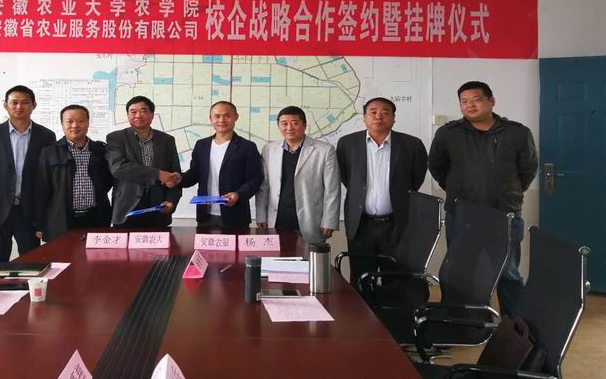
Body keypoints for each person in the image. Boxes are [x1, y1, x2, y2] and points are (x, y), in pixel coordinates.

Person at [428, 81, 538, 318]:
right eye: (464, 101)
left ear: (491, 101)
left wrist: (506, 192)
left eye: (476, 100)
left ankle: (514, 326)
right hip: (462, 215)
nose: (470, 105)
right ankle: (465, 323)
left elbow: (528, 169)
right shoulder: (448, 134)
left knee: (508, 272)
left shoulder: (517, 133)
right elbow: (437, 166)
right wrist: (458, 190)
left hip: (504, 215)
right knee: (461, 271)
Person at [336, 97, 428, 288]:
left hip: (397, 223)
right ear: (364, 117)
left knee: (396, 277)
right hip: (361, 224)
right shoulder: (347, 143)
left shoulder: (412, 144)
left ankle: (391, 308)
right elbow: (346, 177)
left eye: (385, 112)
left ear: (394, 118)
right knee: (361, 277)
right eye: (373, 112)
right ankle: (363, 308)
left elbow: (416, 178)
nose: (379, 116)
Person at [0, 85, 55, 268]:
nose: (19, 107)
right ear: (5, 105)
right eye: (14, 102)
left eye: (25, 102)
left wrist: (45, 216)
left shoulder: (46, 136)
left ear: (34, 105)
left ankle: (27, 288)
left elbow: (48, 179)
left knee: (31, 262)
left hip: (30, 211)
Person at [256, 106, 340, 244]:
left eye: (295, 123)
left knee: (307, 257)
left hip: (310, 219)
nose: (289, 128)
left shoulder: (324, 150)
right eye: (284, 123)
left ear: (304, 125)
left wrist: (329, 220)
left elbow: (332, 189)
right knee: (276, 257)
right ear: (279, 126)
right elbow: (263, 186)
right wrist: (261, 216)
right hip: (276, 218)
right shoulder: (269, 149)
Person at [34, 104, 114, 240]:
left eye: (80, 121)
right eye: (69, 121)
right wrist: (40, 225)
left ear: (88, 123)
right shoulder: (49, 152)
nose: (75, 125)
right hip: (61, 219)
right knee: (63, 253)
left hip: (96, 217)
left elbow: (108, 181)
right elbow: (41, 190)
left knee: (95, 254)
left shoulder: (101, 150)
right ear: (62, 124)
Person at [180, 101, 264, 229]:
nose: (222, 120)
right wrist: (178, 179)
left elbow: (255, 179)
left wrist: (238, 195)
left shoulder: (247, 147)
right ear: (210, 118)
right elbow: (194, 174)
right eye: (217, 116)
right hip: (205, 215)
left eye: (227, 116)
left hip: (236, 214)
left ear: (236, 117)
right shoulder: (201, 145)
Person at [105, 95, 182, 227]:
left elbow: (175, 175)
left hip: (159, 207)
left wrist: (171, 201)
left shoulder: (167, 140)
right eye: (133, 112)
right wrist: (157, 174)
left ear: (152, 115)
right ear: (128, 115)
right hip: (126, 207)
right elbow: (118, 168)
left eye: (143, 111)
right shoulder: (116, 138)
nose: (138, 115)